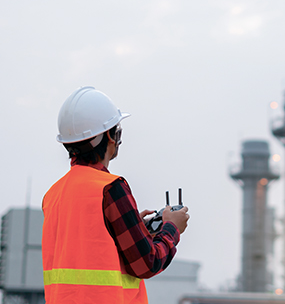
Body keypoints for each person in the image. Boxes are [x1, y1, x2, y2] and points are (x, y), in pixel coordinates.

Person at [42, 86, 190, 303]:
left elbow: (88, 250)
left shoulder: (52, 196)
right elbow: (148, 263)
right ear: (111, 136)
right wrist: (172, 228)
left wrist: (132, 226)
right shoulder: (111, 188)